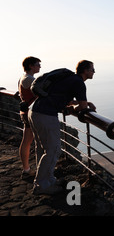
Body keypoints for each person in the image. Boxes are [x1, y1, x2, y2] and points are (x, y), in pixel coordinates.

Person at [28, 60, 96, 195]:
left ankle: (48, 180)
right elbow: (82, 107)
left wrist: (79, 105)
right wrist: (85, 105)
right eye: (92, 69)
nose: (94, 72)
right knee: (53, 150)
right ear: (85, 71)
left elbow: (64, 99)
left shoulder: (69, 79)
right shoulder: (78, 82)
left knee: (43, 149)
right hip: (46, 115)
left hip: (35, 112)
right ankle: (41, 185)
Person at [18, 56, 41, 179]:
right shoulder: (30, 79)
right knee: (30, 142)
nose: (40, 66)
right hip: (30, 113)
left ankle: (26, 169)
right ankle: (31, 170)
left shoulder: (23, 77)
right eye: (37, 64)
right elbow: (42, 94)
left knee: (26, 141)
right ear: (31, 66)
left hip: (25, 112)